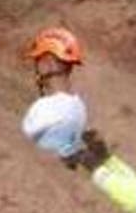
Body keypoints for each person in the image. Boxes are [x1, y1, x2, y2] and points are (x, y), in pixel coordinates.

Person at [20, 27, 88, 165]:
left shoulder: (44, 109)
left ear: (49, 63)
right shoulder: (79, 107)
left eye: (38, 60)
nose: (36, 67)